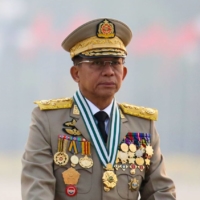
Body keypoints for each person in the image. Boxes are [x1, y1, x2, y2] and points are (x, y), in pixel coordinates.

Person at [21, 18, 176, 200]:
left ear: (124, 73)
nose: (109, 71)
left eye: (115, 63)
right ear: (76, 73)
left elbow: (161, 192)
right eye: (98, 63)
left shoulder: (142, 126)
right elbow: (37, 190)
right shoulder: (48, 121)